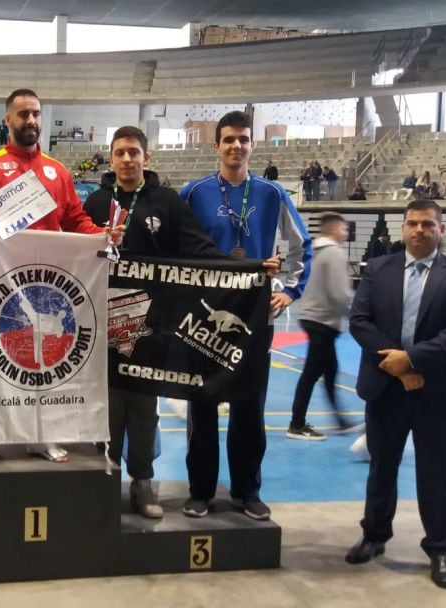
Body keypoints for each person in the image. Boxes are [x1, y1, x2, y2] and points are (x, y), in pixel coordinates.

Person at [83, 126, 248, 518]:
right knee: (105, 410)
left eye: (134, 152)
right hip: (103, 327)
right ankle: (103, 483)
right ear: (110, 159)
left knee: (143, 409)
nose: (127, 159)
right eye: (120, 153)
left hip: (150, 329)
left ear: (146, 158)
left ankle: (142, 484)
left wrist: (245, 269)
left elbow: (198, 248)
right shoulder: (95, 204)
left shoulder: (167, 202)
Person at [0, 88, 115, 467]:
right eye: (23, 114)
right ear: (8, 120)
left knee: (43, 367)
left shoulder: (57, 172)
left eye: (36, 114)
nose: (31, 121)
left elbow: (76, 220)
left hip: (45, 288)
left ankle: (41, 436)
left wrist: (102, 235)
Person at [178, 110, 312, 521]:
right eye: (229, 140)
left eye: (244, 139)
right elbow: (175, 248)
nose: (237, 146)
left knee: (249, 407)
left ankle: (246, 490)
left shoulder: (272, 194)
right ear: (216, 145)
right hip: (206, 316)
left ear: (252, 145)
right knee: (201, 404)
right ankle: (201, 490)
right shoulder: (193, 192)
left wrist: (291, 290)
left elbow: (302, 245)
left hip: (255, 318)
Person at [346, 199, 446, 589]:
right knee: (381, 468)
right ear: (401, 228)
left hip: (438, 390)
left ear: (441, 229)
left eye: (427, 224)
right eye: (412, 224)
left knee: (436, 475)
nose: (419, 230)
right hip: (385, 386)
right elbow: (360, 321)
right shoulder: (378, 269)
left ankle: (440, 548)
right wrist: (396, 365)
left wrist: (412, 361)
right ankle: (374, 535)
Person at [287, 213, 358, 440]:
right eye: (344, 229)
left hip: (310, 315)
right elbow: (340, 293)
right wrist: (358, 315)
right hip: (323, 319)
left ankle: (341, 421)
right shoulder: (335, 253)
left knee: (330, 370)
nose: (346, 233)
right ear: (335, 229)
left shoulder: (312, 251)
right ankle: (297, 424)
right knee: (311, 373)